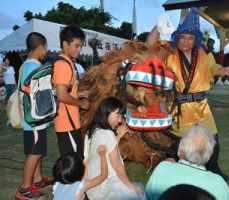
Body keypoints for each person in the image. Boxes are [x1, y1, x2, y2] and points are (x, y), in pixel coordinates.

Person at [146, 7, 229, 181]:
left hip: (202, 106)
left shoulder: (203, 53)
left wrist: (224, 69)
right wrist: (158, 26)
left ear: (196, 39)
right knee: (178, 145)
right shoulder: (168, 51)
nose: (186, 42)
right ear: (177, 36)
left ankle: (213, 170)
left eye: (191, 38)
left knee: (212, 141)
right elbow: (149, 46)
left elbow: (212, 68)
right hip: (179, 107)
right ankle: (176, 175)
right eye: (183, 37)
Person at [145, 125, 229, 200]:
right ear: (208, 157)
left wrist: (165, 166)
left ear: (181, 153)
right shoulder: (220, 184)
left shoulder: (162, 169)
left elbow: (148, 195)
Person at [15, 32, 54, 200]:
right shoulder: (33, 67)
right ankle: (24, 189)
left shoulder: (28, 64)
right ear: (40, 47)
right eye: (45, 48)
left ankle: (37, 181)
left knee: (37, 150)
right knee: (35, 153)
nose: (46, 51)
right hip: (34, 121)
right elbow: (32, 92)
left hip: (33, 120)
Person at [83, 97, 146, 200]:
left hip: (93, 188)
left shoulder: (91, 129)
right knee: (140, 194)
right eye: (117, 115)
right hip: (107, 187)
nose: (120, 120)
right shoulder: (107, 134)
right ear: (106, 112)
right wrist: (130, 186)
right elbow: (117, 166)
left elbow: (87, 160)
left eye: (121, 116)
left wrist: (118, 136)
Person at [52, 25, 90, 159]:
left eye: (81, 46)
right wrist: (81, 103)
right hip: (67, 122)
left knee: (73, 160)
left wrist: (79, 94)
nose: (79, 50)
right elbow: (62, 95)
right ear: (64, 44)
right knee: (74, 161)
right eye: (76, 45)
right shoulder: (63, 65)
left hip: (68, 121)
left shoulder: (67, 63)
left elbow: (62, 91)